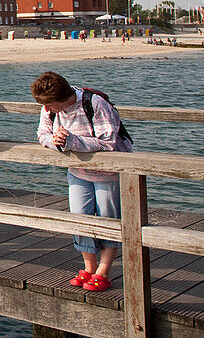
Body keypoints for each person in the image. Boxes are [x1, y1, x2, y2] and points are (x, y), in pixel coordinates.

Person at [33, 71, 132, 293]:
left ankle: (103, 272)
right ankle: (89, 268)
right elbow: (42, 134)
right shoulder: (48, 108)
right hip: (78, 171)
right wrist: (54, 140)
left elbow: (108, 143)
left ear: (61, 99)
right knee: (79, 217)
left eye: (49, 105)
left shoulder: (93, 104)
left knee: (108, 220)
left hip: (109, 172)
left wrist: (72, 141)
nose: (46, 110)